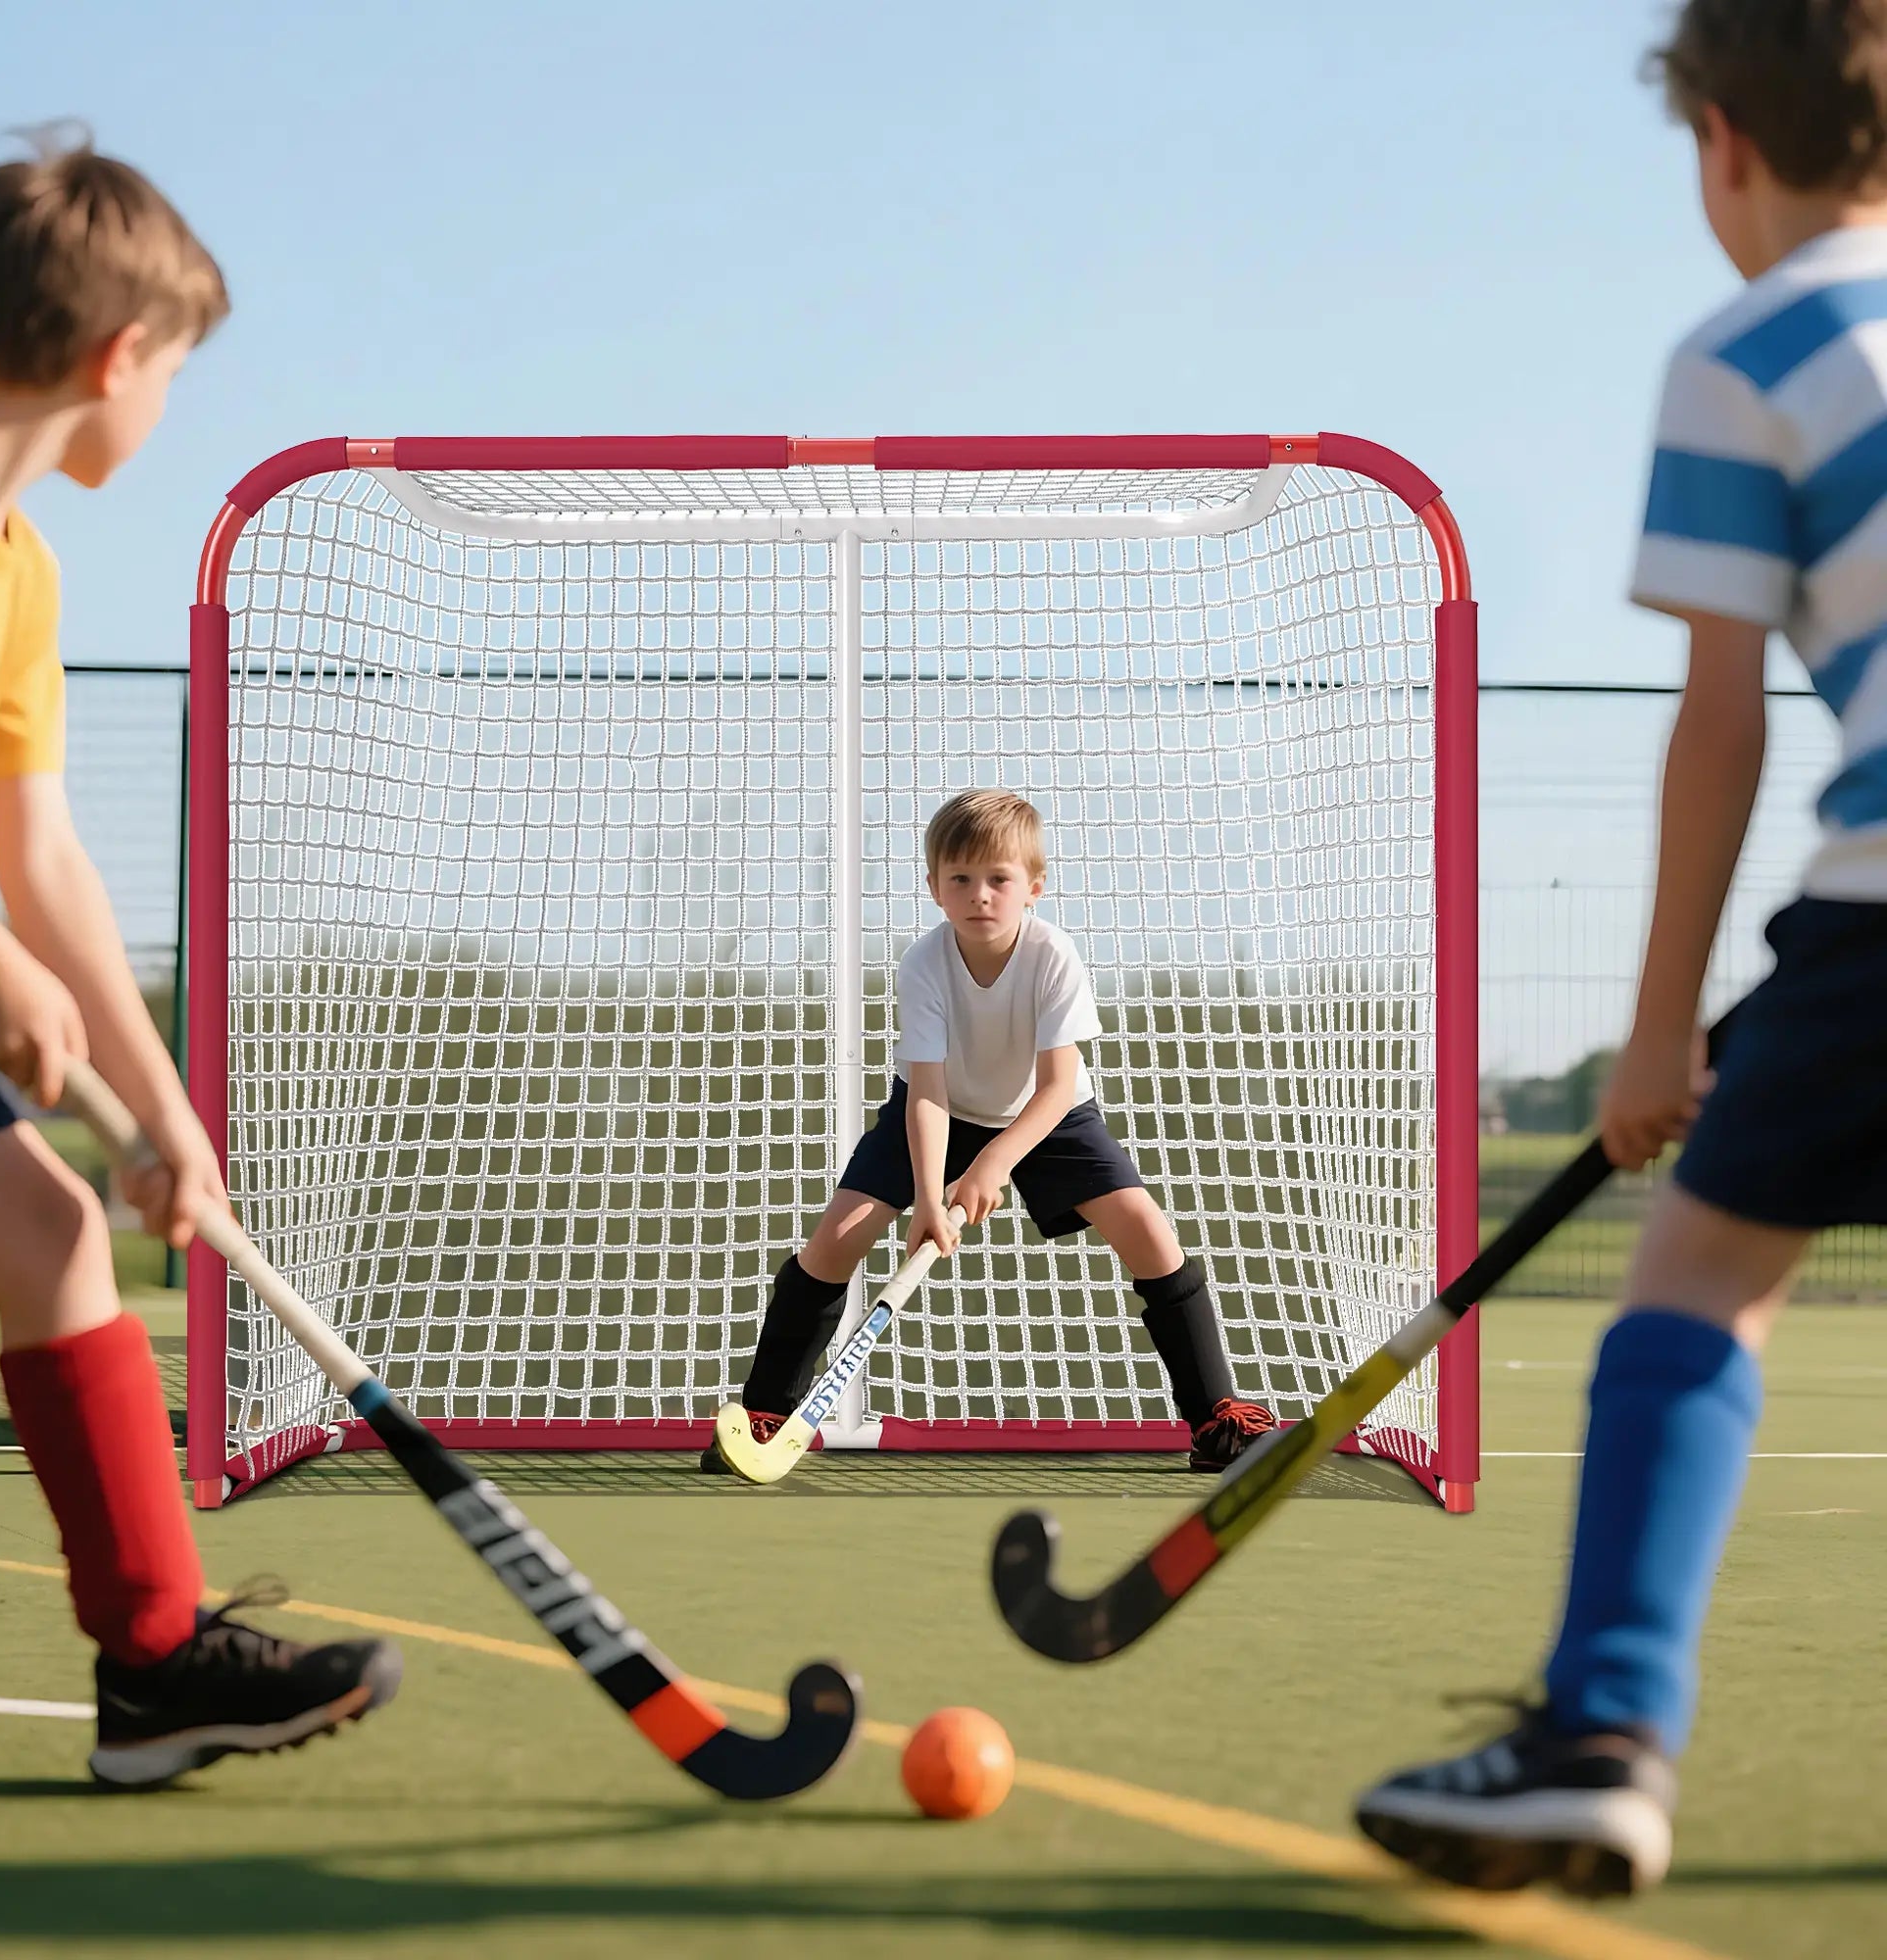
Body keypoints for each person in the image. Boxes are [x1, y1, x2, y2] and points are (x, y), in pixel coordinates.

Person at [1357, 0, 1887, 1897]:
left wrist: (1657, 1029)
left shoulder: (1743, 349)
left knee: (1696, 1281)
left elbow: (1724, 723)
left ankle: (1602, 1734)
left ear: (1720, 147)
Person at [0, 135, 400, 1788]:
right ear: (118, 356)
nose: (167, 405)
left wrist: (163, 1111)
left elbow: (43, 855)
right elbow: (1, 915)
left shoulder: (19, 561)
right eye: (177, 373)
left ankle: (154, 1669)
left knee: (57, 1228)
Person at [702, 789, 1274, 1474]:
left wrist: (993, 1163)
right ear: (935, 889)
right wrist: (925, 1196)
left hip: (1046, 1116)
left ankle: (1217, 1419)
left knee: (1148, 1231)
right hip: (938, 1109)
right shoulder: (923, 964)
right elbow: (928, 1093)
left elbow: (1058, 1086)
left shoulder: (1053, 956)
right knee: (838, 1236)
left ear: (1033, 886)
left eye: (998, 879)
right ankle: (766, 1414)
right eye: (961, 880)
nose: (980, 895)